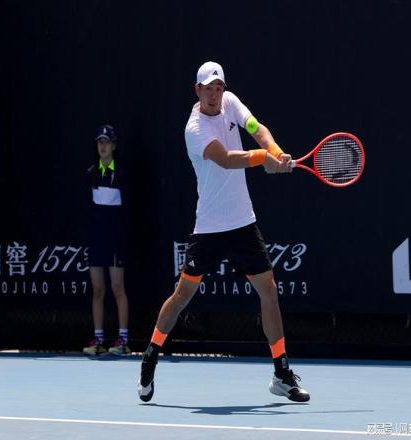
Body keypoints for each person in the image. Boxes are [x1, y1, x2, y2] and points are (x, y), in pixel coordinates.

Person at [137, 61, 310, 402]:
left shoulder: (230, 102)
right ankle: (150, 356)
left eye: (219, 88)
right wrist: (263, 159)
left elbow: (255, 126)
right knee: (181, 297)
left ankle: (281, 372)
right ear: (197, 90)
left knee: (269, 292)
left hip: (243, 223)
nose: (215, 94)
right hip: (210, 229)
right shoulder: (194, 129)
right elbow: (227, 159)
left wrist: (275, 152)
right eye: (208, 88)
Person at [83, 124, 131, 356]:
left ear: (113, 146)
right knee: (97, 289)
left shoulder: (121, 174)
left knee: (117, 288)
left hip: (116, 241)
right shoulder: (91, 173)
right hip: (96, 240)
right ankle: (99, 341)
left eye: (106, 142)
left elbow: (128, 210)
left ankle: (123, 341)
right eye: (99, 142)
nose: (102, 146)